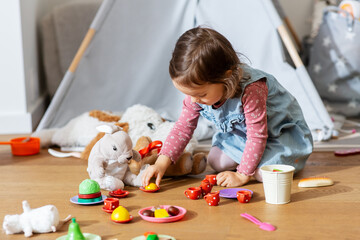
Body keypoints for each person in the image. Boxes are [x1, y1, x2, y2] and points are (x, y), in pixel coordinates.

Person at [142, 26, 313, 188]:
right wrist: (160, 164)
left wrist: (242, 175)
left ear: (226, 77)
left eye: (201, 95)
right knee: (216, 162)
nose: (193, 101)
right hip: (243, 137)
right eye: (189, 94)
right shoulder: (197, 94)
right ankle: (251, 160)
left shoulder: (252, 89)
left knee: (265, 175)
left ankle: (257, 164)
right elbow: (182, 128)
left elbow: (257, 135)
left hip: (279, 136)